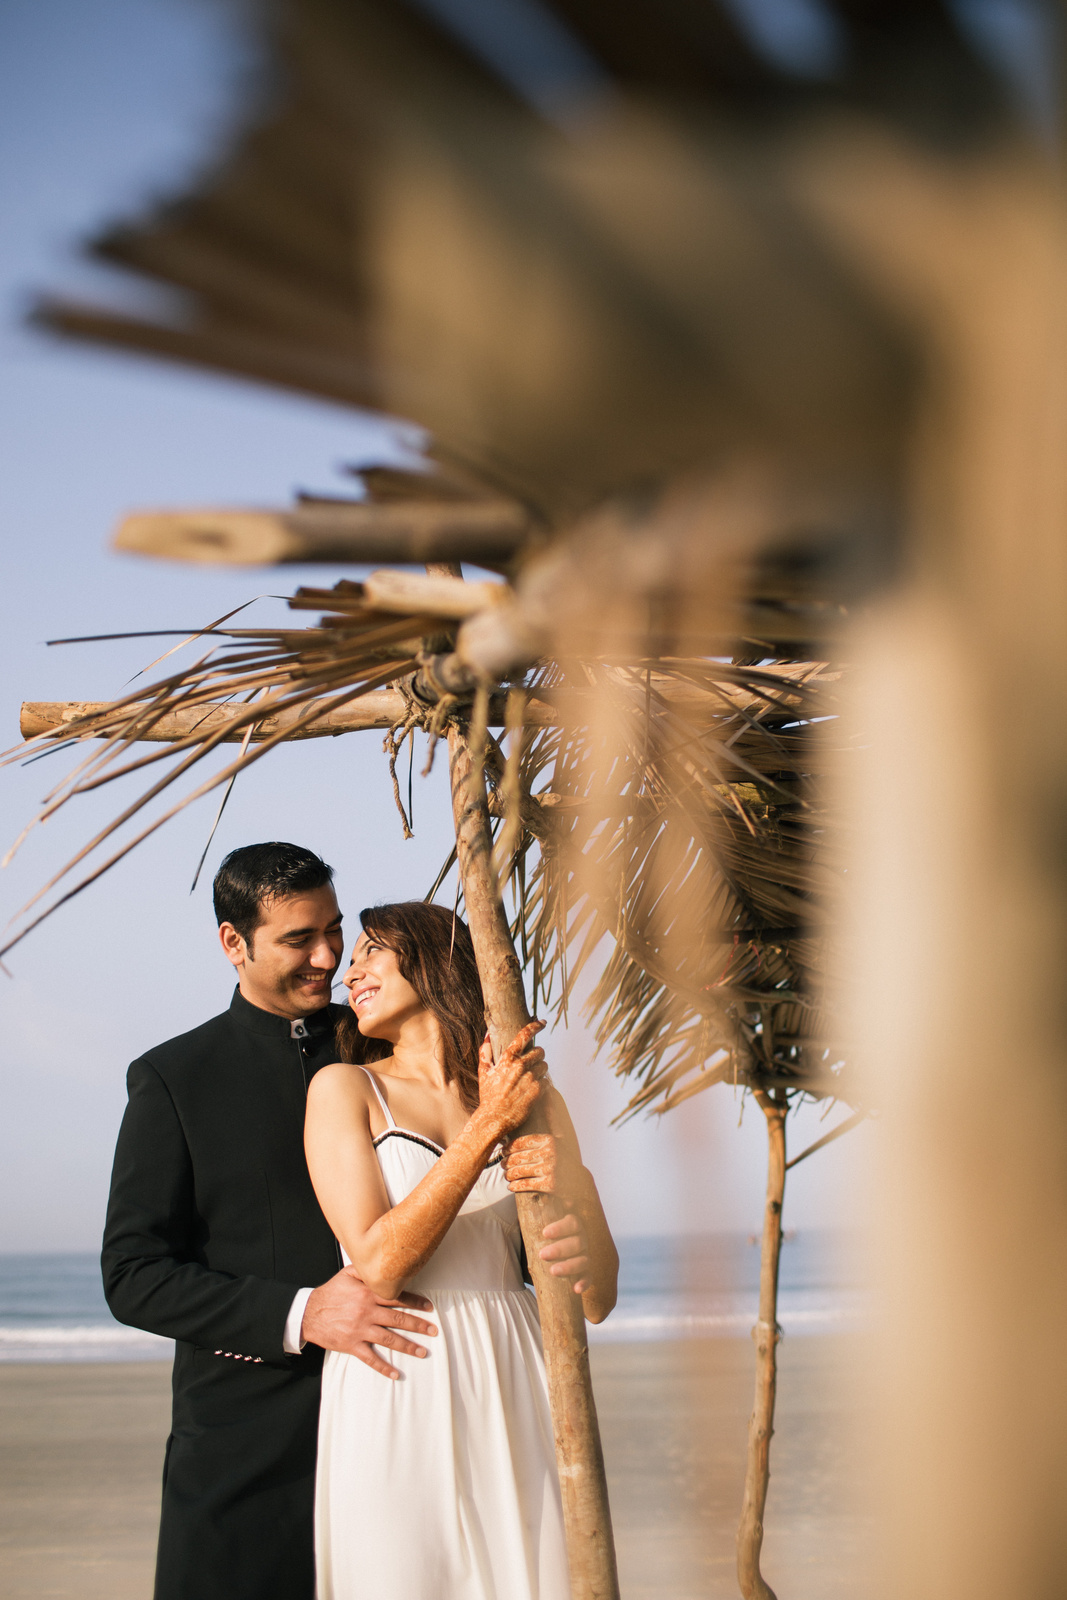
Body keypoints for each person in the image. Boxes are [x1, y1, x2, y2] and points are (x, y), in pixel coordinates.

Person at [101, 843, 442, 1600]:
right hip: (246, 1449)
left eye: (334, 930)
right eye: (298, 939)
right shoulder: (174, 1078)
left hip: (405, 1416)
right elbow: (132, 1276)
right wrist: (302, 1312)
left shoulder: (390, 1043)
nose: (328, 957)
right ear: (233, 943)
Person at [306, 900, 619, 1600]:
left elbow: (598, 1297)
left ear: (432, 961)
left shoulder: (534, 1099)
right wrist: (486, 1129)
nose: (349, 971)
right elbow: (380, 1265)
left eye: (369, 951)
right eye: (350, 958)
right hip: (398, 1369)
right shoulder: (345, 1089)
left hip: (515, 1362)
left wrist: (577, 1195)